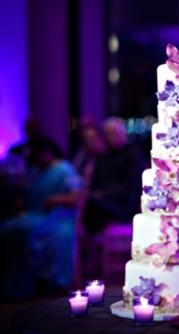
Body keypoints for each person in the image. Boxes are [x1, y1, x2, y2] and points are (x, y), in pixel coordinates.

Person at [0, 136, 83, 300]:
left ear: (47, 153)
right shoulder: (35, 170)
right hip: (33, 213)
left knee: (17, 229)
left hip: (54, 215)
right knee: (7, 228)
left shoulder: (63, 169)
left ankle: (38, 280)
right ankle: (16, 284)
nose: (33, 157)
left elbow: (76, 196)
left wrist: (56, 199)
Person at [82, 117, 144, 233]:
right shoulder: (103, 156)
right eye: (108, 134)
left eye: (114, 133)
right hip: (102, 200)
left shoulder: (133, 154)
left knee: (91, 205)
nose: (111, 137)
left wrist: (103, 193)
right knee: (85, 202)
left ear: (123, 133)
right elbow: (96, 181)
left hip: (122, 204)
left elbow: (129, 185)